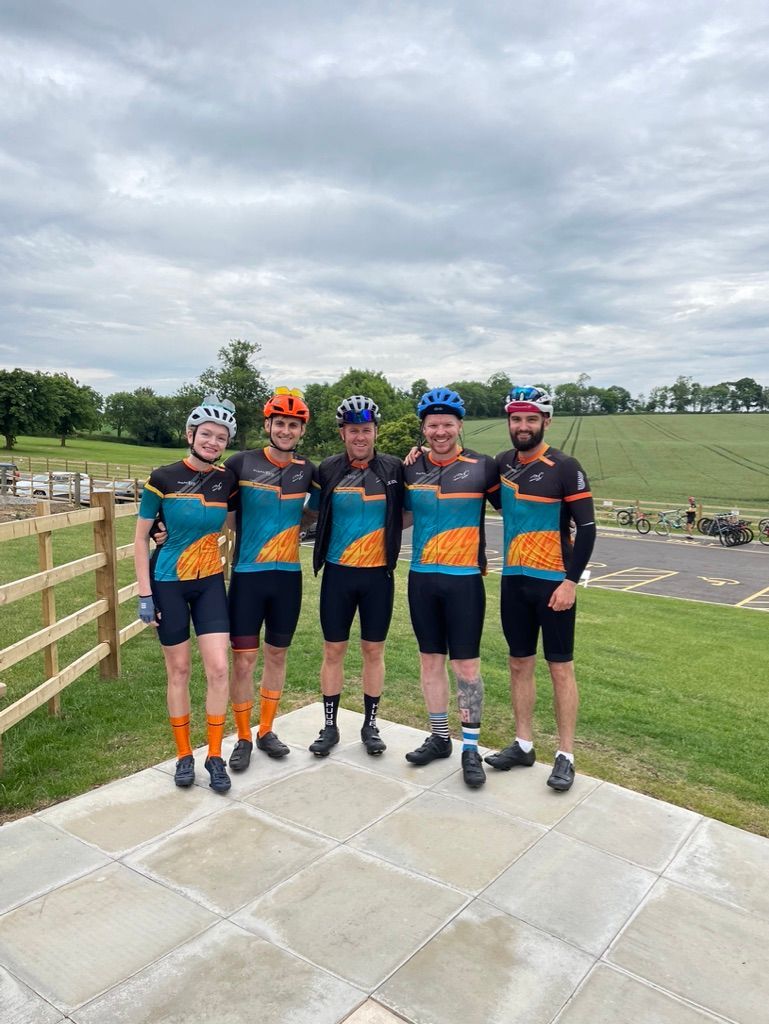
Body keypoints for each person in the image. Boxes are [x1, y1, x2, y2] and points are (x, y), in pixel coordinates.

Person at [484, 386, 596, 792]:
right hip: (514, 580)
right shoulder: (501, 465)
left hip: (554, 582)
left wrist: (571, 581)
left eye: (532, 419)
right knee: (519, 664)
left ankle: (565, 754)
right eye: (516, 419)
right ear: (509, 422)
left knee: (560, 668)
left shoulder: (565, 466)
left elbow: (587, 528)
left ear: (546, 421)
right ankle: (523, 743)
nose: (523, 426)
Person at [134, 395, 238, 793]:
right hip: (168, 583)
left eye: (221, 437)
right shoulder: (162, 478)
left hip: (210, 582)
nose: (213, 442)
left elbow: (231, 524)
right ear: (191, 434)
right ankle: (183, 755)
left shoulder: (226, 479)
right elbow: (142, 538)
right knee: (178, 671)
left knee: (219, 669)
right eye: (207, 434)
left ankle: (214, 755)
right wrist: (146, 594)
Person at [402, 388, 500, 789]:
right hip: (422, 576)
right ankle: (441, 737)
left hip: (464, 581)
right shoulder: (409, 467)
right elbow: (396, 514)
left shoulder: (483, 466)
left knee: (466, 667)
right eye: (432, 425)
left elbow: (515, 508)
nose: (440, 431)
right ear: (423, 429)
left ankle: (470, 748)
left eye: (447, 424)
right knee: (430, 662)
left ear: (460, 425)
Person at [223, 389, 319, 772]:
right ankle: (243, 735)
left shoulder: (307, 470)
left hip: (288, 578)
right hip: (248, 576)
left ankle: (266, 729)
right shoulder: (240, 463)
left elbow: (315, 509)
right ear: (268, 425)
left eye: (292, 425)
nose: (285, 430)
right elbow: (223, 511)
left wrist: (299, 526)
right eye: (279, 422)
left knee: (277, 655)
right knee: (244, 660)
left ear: (301, 431)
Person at [307, 395, 405, 757]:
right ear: (342, 433)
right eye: (353, 430)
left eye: (366, 430)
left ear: (375, 431)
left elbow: (408, 511)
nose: (360, 437)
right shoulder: (328, 469)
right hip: (338, 574)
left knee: (372, 650)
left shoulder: (394, 468)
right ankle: (330, 726)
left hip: (378, 575)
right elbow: (310, 514)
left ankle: (371, 724)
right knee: (333, 650)